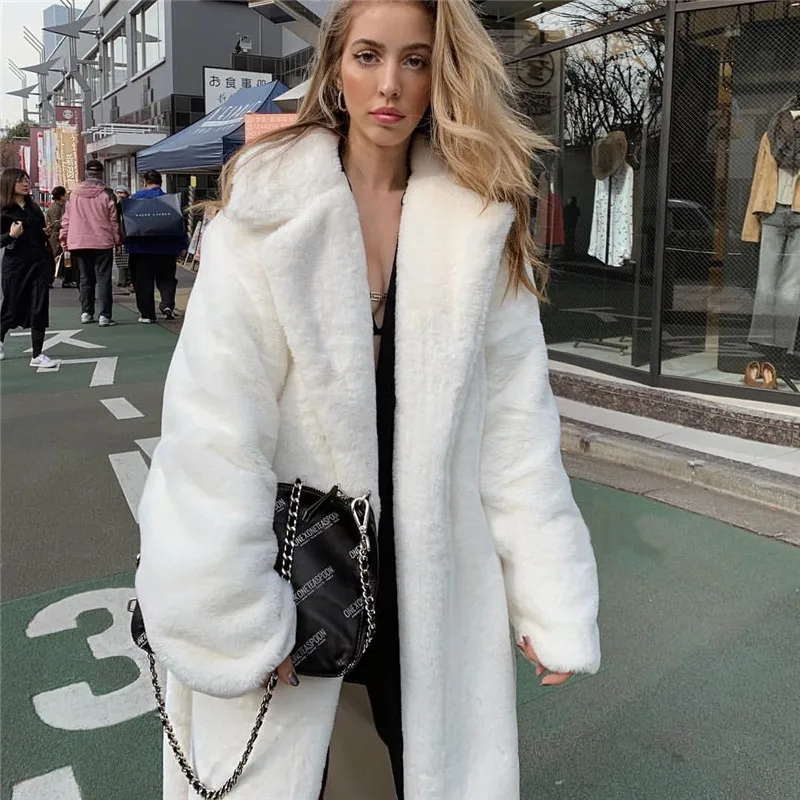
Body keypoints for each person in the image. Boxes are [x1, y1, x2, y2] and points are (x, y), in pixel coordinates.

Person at [135, 1, 601, 799]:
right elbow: (213, 430)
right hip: (296, 573)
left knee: (407, 769)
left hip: (427, 580)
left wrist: (547, 595)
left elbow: (516, 434)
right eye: (368, 56)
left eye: (415, 60)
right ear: (335, 70)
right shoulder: (268, 214)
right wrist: (238, 617)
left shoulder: (478, 224)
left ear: (441, 75)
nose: (390, 84)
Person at [0, 169, 58, 368]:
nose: (26, 184)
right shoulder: (4, 211)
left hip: (38, 264)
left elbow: (39, 234)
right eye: (21, 181)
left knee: (39, 306)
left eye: (27, 180)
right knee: (12, 307)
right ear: (10, 184)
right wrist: (10, 236)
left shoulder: (34, 208)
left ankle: (37, 354)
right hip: (15, 266)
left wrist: (44, 232)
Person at [60, 159, 121, 327]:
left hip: (79, 241)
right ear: (101, 174)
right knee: (104, 279)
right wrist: (117, 241)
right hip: (103, 241)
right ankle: (105, 315)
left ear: (86, 173)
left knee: (85, 278)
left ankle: (86, 312)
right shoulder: (107, 194)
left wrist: (64, 239)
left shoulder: (73, 195)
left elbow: (66, 219)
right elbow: (114, 221)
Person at [125, 170, 185, 323]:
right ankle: (167, 305)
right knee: (167, 279)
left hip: (140, 249)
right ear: (161, 183)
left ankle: (147, 314)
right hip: (167, 248)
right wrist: (182, 246)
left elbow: (126, 223)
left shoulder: (134, 199)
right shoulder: (170, 200)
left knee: (143, 282)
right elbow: (180, 225)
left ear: (145, 182)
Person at [46, 186, 77, 289]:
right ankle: (51, 279)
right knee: (55, 259)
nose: (67, 196)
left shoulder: (60, 205)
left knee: (65, 259)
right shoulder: (56, 207)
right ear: (61, 196)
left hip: (60, 236)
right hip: (57, 237)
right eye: (65, 194)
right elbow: (56, 224)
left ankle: (66, 279)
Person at [113, 186, 132, 289]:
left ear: (127, 194)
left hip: (128, 235)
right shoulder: (115, 207)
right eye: (118, 193)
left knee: (128, 259)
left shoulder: (130, 206)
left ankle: (128, 280)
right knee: (120, 258)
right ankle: (122, 280)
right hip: (119, 236)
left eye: (122, 193)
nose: (119, 195)